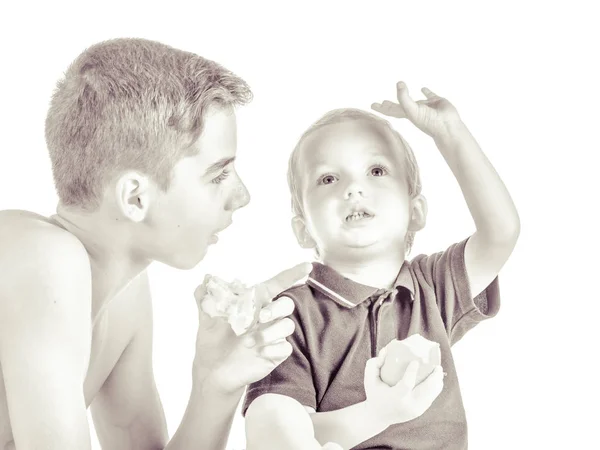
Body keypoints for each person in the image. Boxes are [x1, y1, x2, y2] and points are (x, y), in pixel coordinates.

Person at [0, 37, 340, 450]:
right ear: (135, 198)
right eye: (217, 175)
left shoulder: (123, 293)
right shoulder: (43, 257)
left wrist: (214, 383)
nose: (241, 195)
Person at [243, 82, 520, 449]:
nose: (353, 188)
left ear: (416, 211)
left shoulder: (433, 287)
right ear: (303, 229)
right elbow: (281, 431)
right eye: (328, 178)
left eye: (376, 171)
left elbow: (501, 232)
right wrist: (380, 413)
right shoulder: (289, 314)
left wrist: (449, 133)